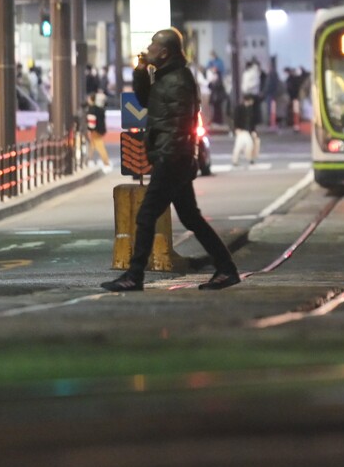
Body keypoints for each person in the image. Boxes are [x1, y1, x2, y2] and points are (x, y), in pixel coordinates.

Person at [101, 28, 239, 293]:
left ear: (164, 52)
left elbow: (177, 125)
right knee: (191, 218)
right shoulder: (167, 77)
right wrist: (141, 71)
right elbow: (145, 102)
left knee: (146, 215)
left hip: (173, 158)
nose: (148, 49)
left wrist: (166, 159)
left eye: (153, 46)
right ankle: (226, 269)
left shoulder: (177, 80)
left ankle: (135, 275)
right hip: (174, 157)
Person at [85, 89, 112, 171]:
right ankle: (89, 160)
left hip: (95, 130)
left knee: (99, 145)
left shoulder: (92, 109)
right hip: (100, 129)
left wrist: (90, 129)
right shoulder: (99, 108)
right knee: (92, 145)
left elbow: (91, 121)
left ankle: (106, 162)